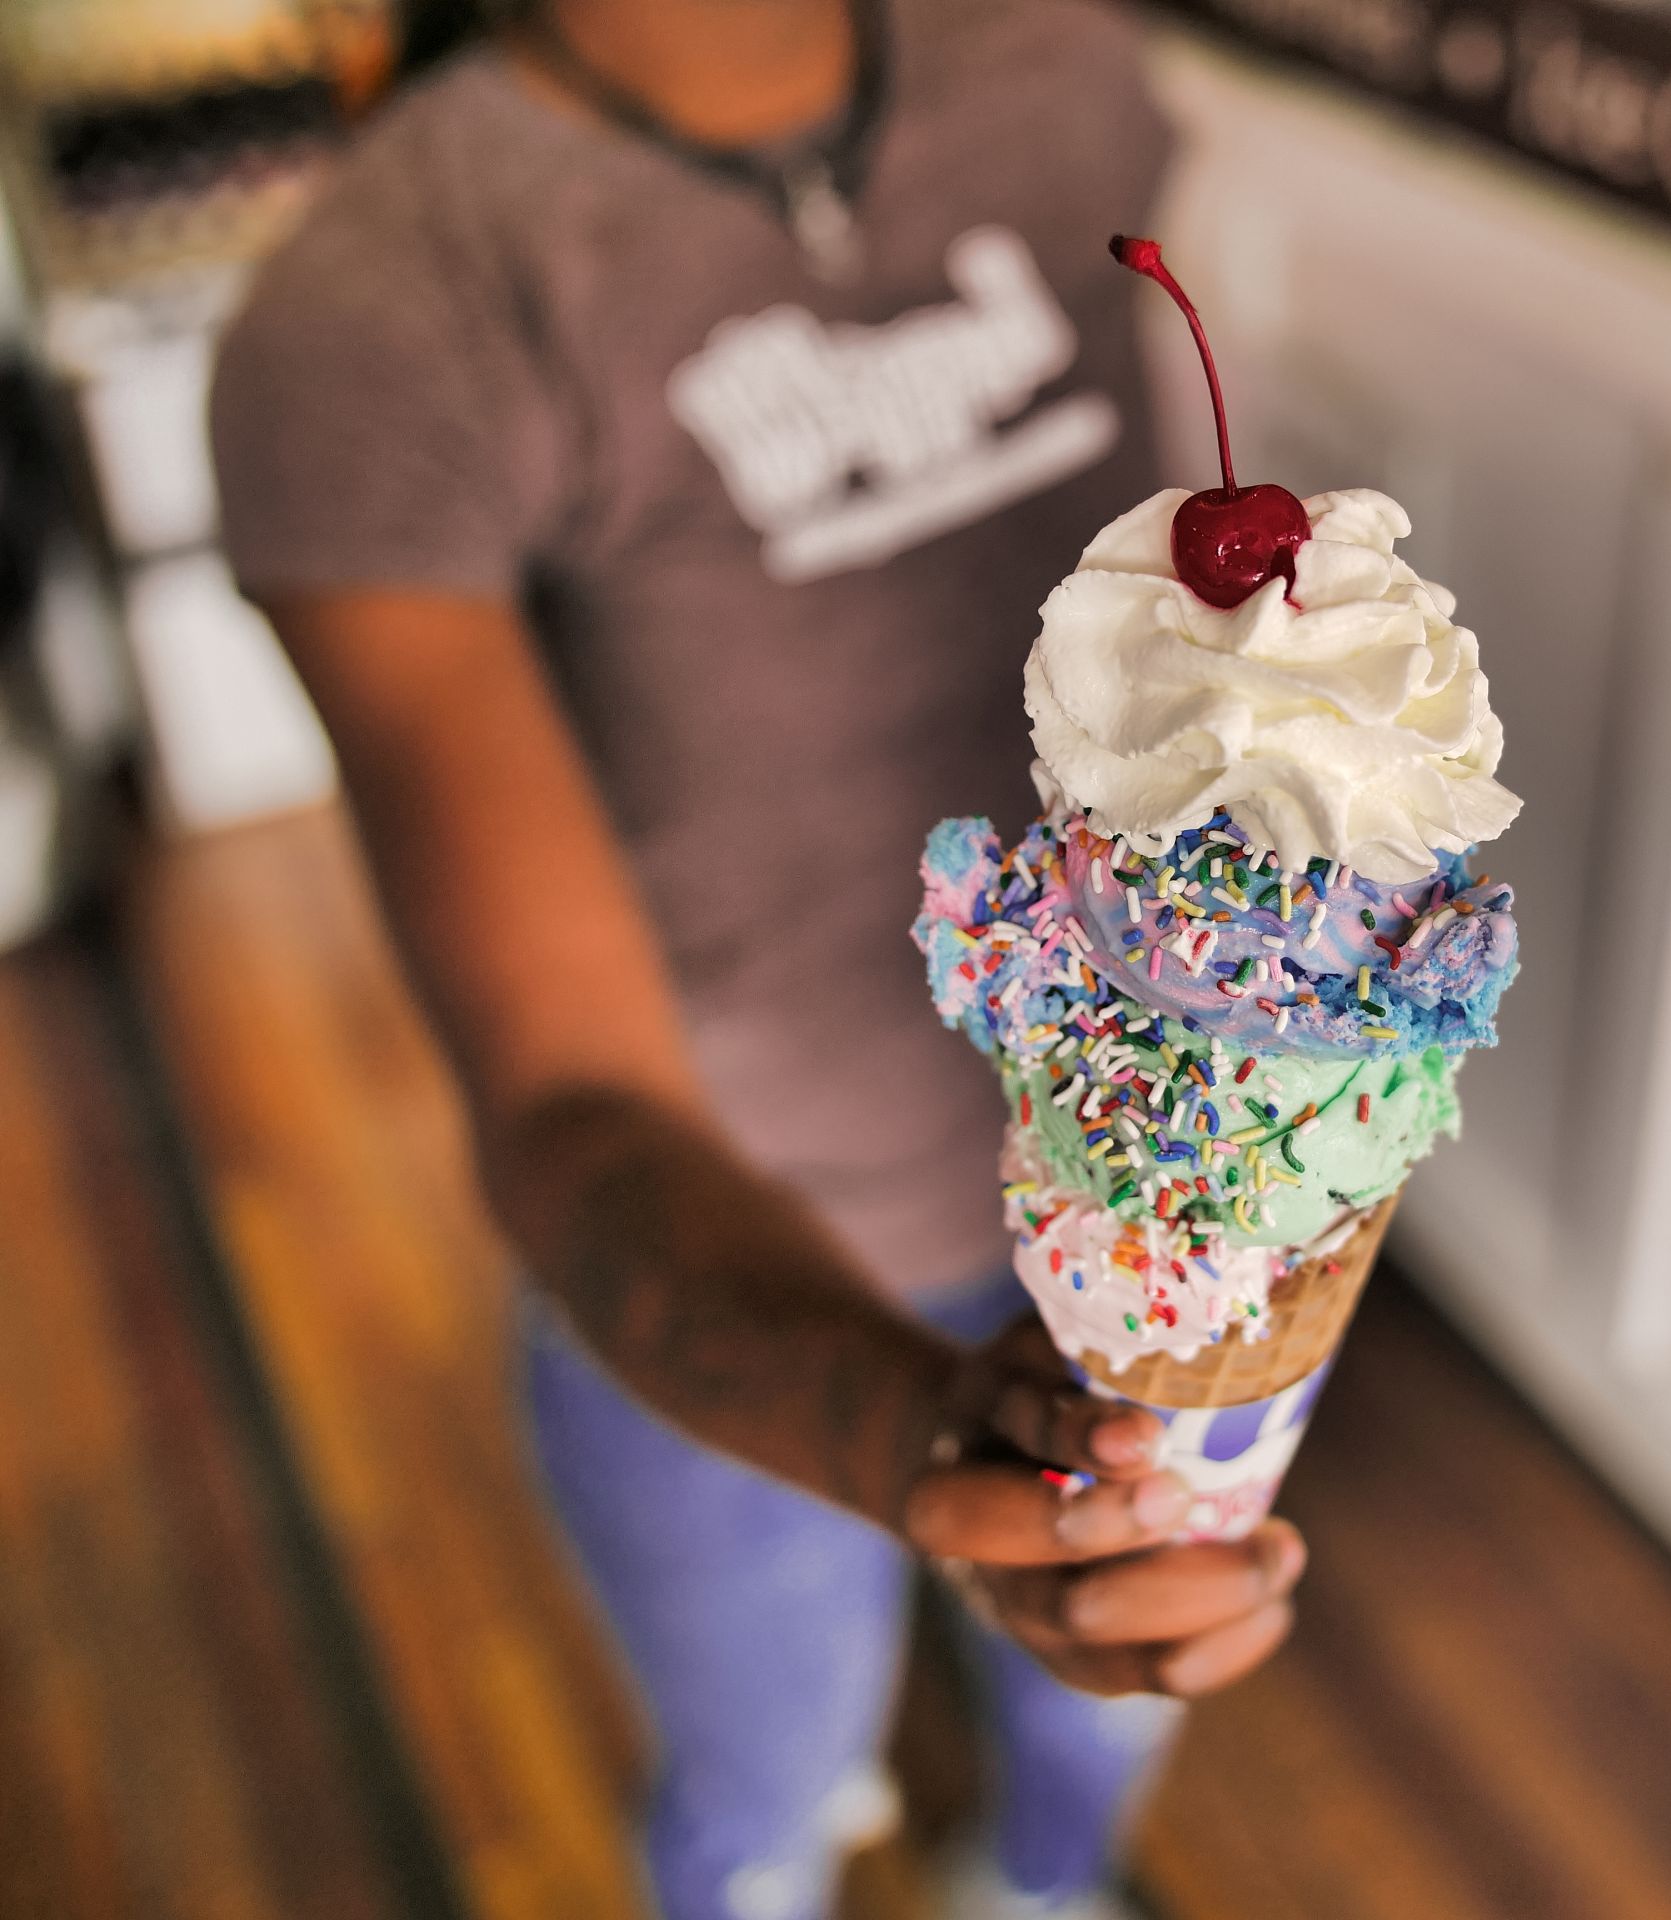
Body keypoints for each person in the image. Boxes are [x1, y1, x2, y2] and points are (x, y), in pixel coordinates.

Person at [207, 3, 1309, 1917]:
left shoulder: (1056, 65)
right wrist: (904, 1430)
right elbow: (571, 1099)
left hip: (1165, 1186)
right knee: (759, 1789)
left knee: (1104, 1727)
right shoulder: (378, 313)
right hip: (751, 1253)